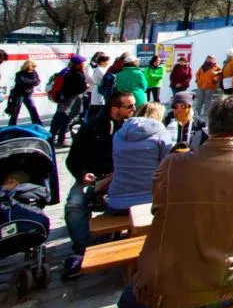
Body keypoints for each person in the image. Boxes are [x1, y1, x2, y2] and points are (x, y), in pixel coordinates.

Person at [118, 94, 233, 308]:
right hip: (232, 282)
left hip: (162, 293)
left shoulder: (171, 164)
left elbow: (157, 208)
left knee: (127, 298)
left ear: (209, 127)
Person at [62, 90, 136, 280]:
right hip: (95, 177)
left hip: (122, 177)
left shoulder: (131, 127)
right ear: (115, 109)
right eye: (129, 106)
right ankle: (83, 248)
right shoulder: (92, 128)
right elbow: (73, 159)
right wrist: (82, 174)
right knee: (74, 203)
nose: (134, 109)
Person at [105, 102, 174, 213]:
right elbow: (169, 164)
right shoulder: (161, 134)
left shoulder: (119, 135)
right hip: (149, 200)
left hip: (116, 200)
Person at [50, 54, 89, 146]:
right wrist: (86, 86)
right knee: (65, 119)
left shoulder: (67, 72)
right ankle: (61, 139)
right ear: (79, 64)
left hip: (64, 99)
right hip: (72, 100)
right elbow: (81, 88)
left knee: (59, 118)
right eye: (83, 62)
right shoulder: (78, 75)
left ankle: (52, 136)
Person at [7, 60, 42, 126]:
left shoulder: (34, 72)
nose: (32, 70)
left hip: (28, 94)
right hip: (19, 94)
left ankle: (38, 124)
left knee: (33, 109)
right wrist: (32, 82)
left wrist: (31, 82)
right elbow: (22, 82)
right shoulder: (19, 74)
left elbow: (38, 81)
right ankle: (12, 125)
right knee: (16, 111)